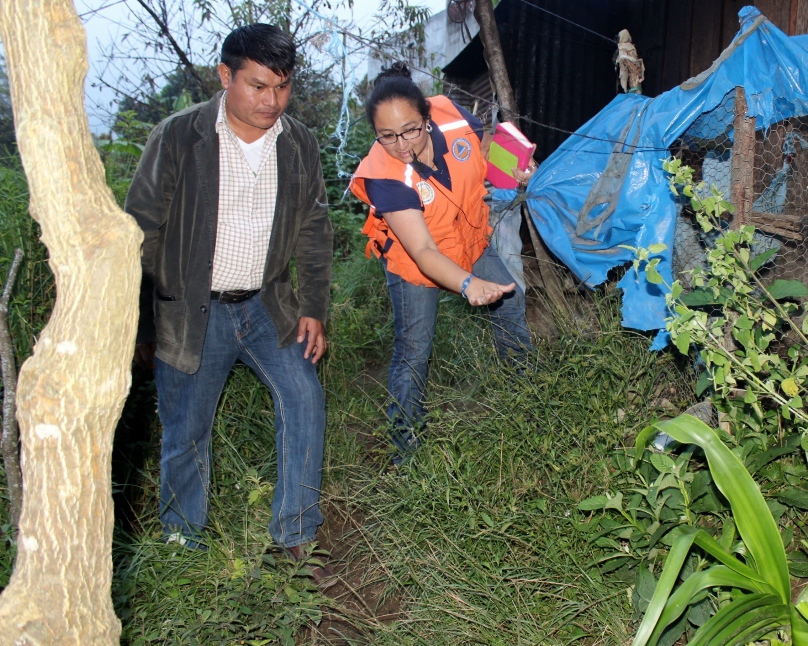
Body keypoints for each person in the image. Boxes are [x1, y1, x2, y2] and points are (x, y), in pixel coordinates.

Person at [125, 24, 333, 574]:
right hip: (191, 311)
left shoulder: (300, 143)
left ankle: (295, 535)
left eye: (283, 87)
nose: (272, 101)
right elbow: (140, 229)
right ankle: (182, 546)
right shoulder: (179, 136)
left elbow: (314, 228)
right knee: (186, 427)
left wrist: (314, 306)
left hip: (270, 304)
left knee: (304, 400)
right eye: (258, 86)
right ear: (226, 77)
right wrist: (141, 325)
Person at [349, 63, 534, 462]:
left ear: (427, 118)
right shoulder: (384, 175)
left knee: (512, 302)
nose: (401, 145)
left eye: (410, 130)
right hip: (416, 267)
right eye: (387, 136)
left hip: (470, 242)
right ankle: (407, 451)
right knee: (414, 350)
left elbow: (483, 153)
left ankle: (526, 395)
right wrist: (468, 285)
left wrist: (511, 168)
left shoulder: (453, 116)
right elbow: (423, 252)